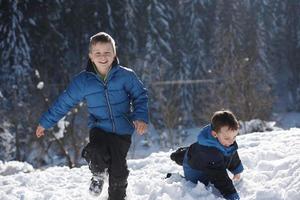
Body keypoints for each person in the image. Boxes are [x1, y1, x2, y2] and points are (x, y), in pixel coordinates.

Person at [35, 32, 148, 200]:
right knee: (96, 150)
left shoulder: (126, 75)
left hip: (122, 131)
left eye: (107, 52)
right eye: (98, 53)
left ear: (114, 54)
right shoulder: (83, 81)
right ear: (91, 56)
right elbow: (64, 102)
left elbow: (140, 95)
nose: (103, 57)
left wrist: (140, 117)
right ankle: (98, 174)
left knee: (119, 171)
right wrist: (45, 122)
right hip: (99, 127)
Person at [170, 110, 243, 200]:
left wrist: (237, 169)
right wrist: (232, 195)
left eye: (234, 136)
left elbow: (231, 152)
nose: (232, 141)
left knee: (196, 153)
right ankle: (173, 173)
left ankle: (181, 153)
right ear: (214, 134)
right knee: (194, 183)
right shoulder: (210, 152)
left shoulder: (226, 140)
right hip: (194, 168)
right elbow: (219, 177)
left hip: (198, 153)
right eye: (227, 138)